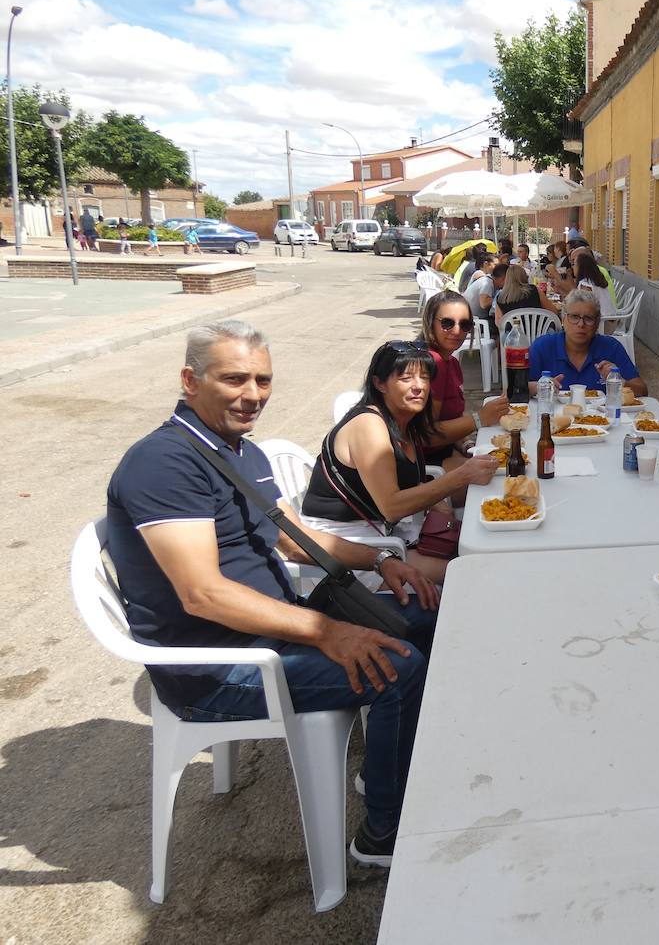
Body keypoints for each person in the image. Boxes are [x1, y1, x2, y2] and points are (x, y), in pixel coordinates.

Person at [105, 320, 438, 866]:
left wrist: (384, 559)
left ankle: (383, 768)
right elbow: (202, 595)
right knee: (399, 667)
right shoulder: (164, 464)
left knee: (426, 613)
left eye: (262, 380)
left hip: (277, 629)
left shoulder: (239, 452)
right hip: (221, 666)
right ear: (190, 380)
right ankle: (383, 836)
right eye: (234, 379)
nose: (252, 394)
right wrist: (329, 631)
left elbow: (294, 537)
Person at [300, 341, 497, 583]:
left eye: (425, 378)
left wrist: (436, 500)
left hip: (387, 534)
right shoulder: (369, 425)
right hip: (350, 548)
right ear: (379, 383)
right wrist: (460, 477)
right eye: (406, 378)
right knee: (471, 573)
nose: (419, 387)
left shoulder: (404, 420)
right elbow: (391, 507)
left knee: (482, 549)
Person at [418, 290, 509, 467]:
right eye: (447, 323)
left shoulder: (451, 362)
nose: (457, 330)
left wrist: (467, 444)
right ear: (430, 323)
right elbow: (427, 435)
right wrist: (479, 418)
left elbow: (452, 419)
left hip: (446, 449)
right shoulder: (431, 362)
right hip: (420, 460)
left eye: (465, 324)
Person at [527, 288, 646, 394]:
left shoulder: (611, 347)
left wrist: (618, 382)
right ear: (563, 319)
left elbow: (642, 390)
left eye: (588, 319)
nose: (581, 324)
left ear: (597, 323)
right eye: (574, 317)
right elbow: (517, 390)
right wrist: (539, 386)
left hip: (602, 417)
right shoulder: (543, 347)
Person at [494, 264, 559, 321]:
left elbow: (498, 322)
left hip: (513, 333)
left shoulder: (500, 297)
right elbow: (554, 312)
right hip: (539, 332)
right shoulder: (534, 290)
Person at [571, 247, 616, 326]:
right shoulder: (595, 280)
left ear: (580, 267)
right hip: (611, 322)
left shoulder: (585, 284)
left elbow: (584, 308)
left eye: (574, 264)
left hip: (601, 325)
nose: (572, 268)